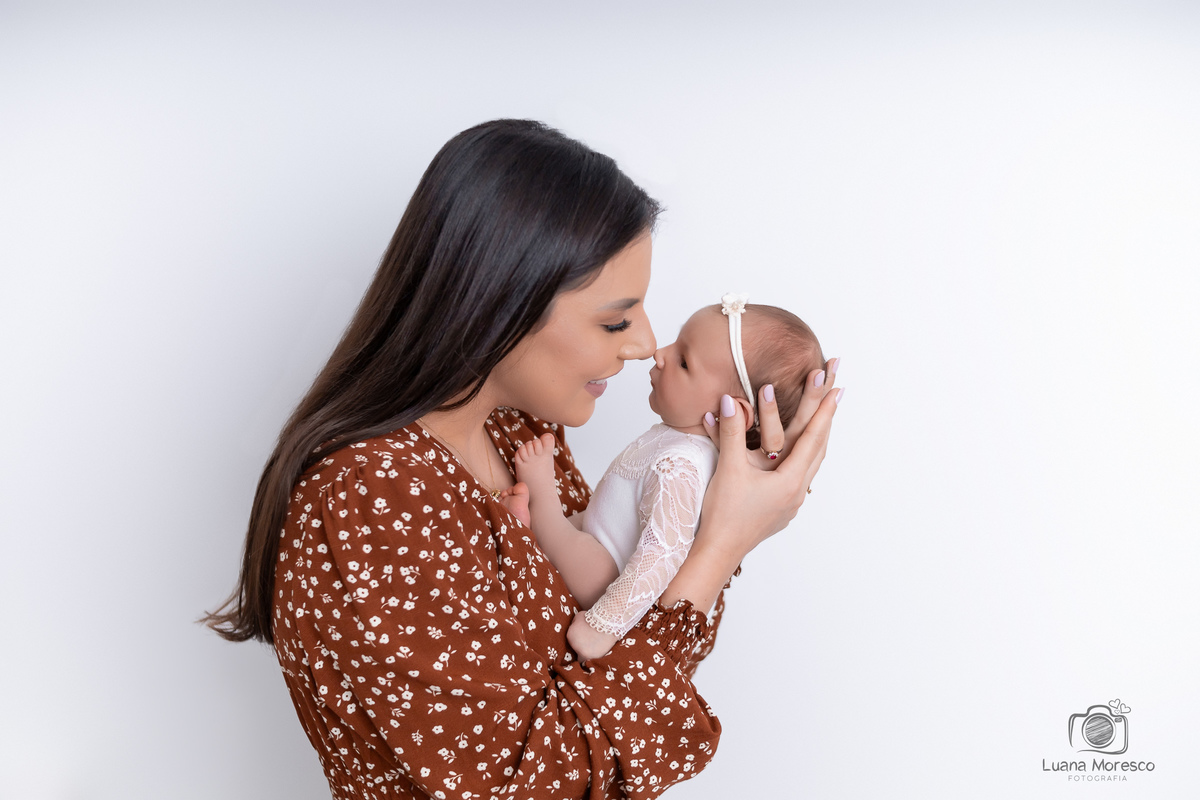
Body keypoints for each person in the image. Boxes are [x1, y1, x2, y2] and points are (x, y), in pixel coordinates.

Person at [205, 119, 841, 800]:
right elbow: (544, 780)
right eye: (614, 320)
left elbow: (615, 639)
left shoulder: (519, 436)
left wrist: (723, 499)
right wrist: (716, 550)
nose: (642, 345)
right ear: (498, 302)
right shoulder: (372, 499)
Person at [500, 297, 830, 662]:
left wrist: (602, 625)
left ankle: (541, 506)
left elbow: (663, 553)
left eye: (684, 361)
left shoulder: (682, 465)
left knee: (573, 540)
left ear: (732, 410)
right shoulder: (679, 444)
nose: (659, 353)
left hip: (602, 579)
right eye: (677, 343)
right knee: (581, 525)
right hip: (598, 539)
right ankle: (534, 537)